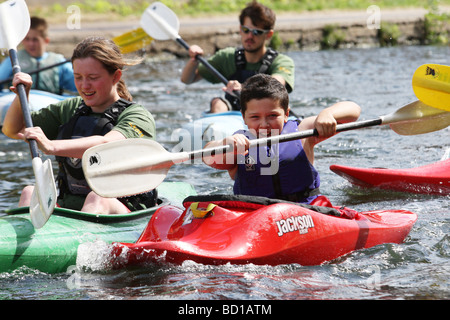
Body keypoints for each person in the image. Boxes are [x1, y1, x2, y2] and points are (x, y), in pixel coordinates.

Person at [2, 36, 157, 214]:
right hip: (70, 210)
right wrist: (22, 94)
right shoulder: (71, 108)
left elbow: (106, 145)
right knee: (30, 192)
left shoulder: (137, 116)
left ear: (116, 76)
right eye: (78, 77)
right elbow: (12, 130)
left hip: (122, 212)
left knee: (96, 197)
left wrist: (52, 146)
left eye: (93, 77)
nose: (84, 85)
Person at [203, 74, 361, 205]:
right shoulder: (238, 143)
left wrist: (328, 113)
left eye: (272, 116)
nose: (264, 124)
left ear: (286, 114)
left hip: (305, 211)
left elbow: (354, 109)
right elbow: (207, 155)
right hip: (253, 214)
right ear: (244, 117)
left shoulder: (303, 131)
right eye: (255, 117)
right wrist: (225, 144)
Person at [180, 1, 294, 113]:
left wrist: (244, 88)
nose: (249, 36)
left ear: (268, 35)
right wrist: (194, 60)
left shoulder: (282, 62)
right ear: (240, 29)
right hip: (233, 113)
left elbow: (276, 84)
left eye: (257, 32)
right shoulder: (227, 57)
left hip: (265, 114)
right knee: (217, 104)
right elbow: (187, 79)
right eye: (246, 30)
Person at [0, 16, 76, 94]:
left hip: (50, 103)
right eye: (27, 39)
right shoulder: (13, 60)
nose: (30, 44)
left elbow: (79, 85)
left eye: (35, 39)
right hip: (18, 103)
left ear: (46, 41)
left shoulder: (59, 62)